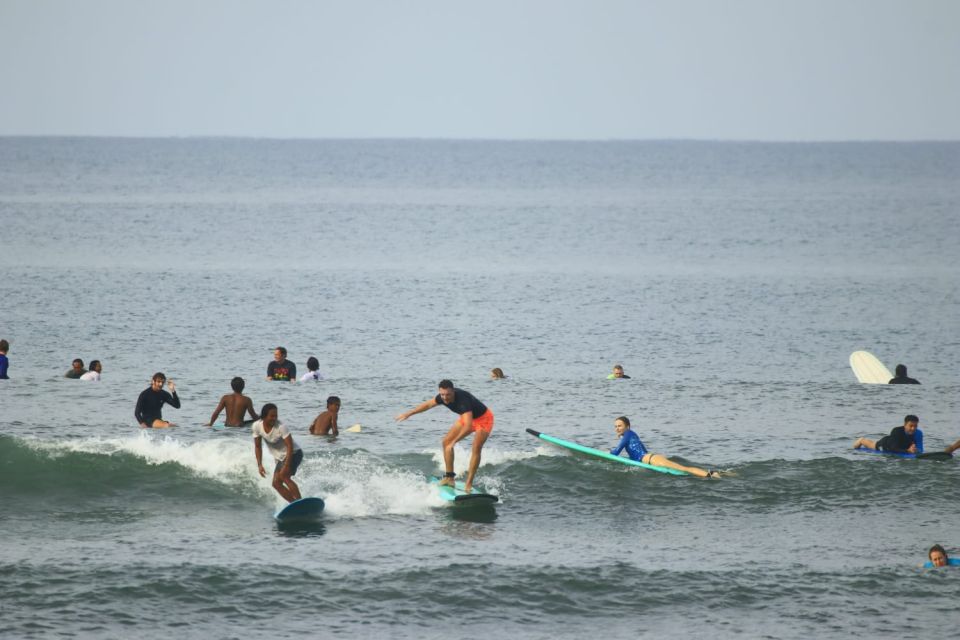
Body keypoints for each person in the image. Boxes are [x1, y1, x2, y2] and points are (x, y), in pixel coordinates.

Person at [395, 379, 494, 493]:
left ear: (453, 391)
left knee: (476, 448)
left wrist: (455, 441)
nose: (445, 398)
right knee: (446, 442)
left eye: (448, 394)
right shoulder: (441, 397)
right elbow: (428, 404)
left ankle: (468, 484)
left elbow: (468, 426)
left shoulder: (462, 401)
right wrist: (409, 413)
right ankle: (450, 478)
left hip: (484, 419)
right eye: (442, 394)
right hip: (467, 418)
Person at [610, 416, 719, 478]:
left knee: (683, 469)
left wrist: (607, 452)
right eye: (615, 426)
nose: (617, 428)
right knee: (682, 469)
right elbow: (640, 452)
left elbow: (616, 452)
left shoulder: (628, 433)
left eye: (620, 426)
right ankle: (719, 473)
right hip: (651, 459)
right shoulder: (630, 435)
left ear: (627, 426)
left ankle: (710, 474)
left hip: (652, 460)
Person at [252, 403, 303, 503]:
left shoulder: (281, 427)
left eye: (276, 415)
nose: (274, 418)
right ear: (264, 416)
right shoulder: (257, 426)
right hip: (281, 457)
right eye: (272, 416)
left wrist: (287, 465)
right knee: (276, 484)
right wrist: (259, 465)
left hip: (294, 453)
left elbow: (290, 446)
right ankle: (294, 504)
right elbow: (258, 446)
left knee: (284, 476)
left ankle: (300, 502)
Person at [853, 414, 924, 454]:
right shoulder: (896, 431)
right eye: (911, 426)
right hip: (886, 444)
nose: (913, 428)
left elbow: (920, 449)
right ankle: (861, 440)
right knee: (872, 445)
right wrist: (908, 451)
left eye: (915, 426)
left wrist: (916, 450)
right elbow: (893, 448)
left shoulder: (918, 433)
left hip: (903, 447)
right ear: (905, 425)